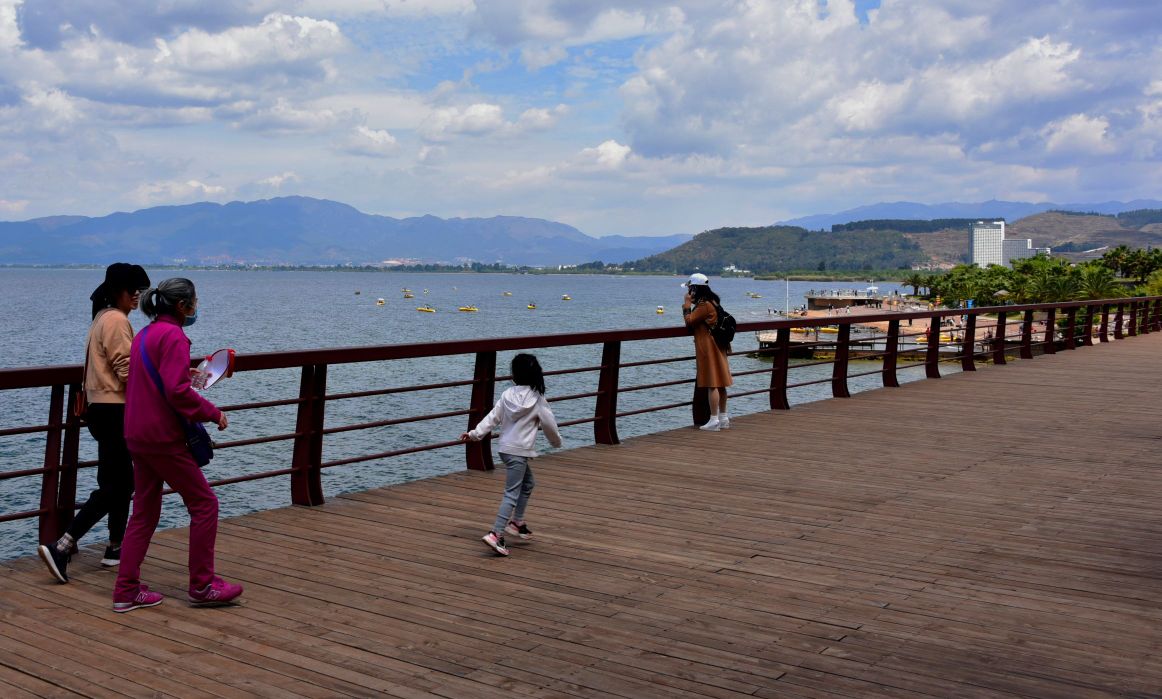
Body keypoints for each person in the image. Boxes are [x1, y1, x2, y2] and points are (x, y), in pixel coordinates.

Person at [112, 278, 240, 613]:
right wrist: (213, 413)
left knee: (144, 512)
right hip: (163, 438)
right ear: (183, 306)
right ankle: (203, 585)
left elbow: (159, 378)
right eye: (194, 301)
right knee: (204, 505)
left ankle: (126, 590)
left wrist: (186, 372)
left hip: (136, 434)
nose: (196, 306)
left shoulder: (145, 334)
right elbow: (177, 393)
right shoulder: (174, 336)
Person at [38, 263, 151, 584]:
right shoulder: (116, 320)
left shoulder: (102, 317)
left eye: (140, 289)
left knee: (119, 481)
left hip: (100, 409)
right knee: (117, 485)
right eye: (133, 290)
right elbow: (126, 368)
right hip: (115, 410)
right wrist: (155, 397)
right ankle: (62, 545)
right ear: (118, 290)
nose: (137, 295)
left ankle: (115, 548)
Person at [460, 353, 562, 557]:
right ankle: (496, 533)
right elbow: (549, 424)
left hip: (506, 449)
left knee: (528, 483)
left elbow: (492, 417)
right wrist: (556, 442)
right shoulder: (538, 398)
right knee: (511, 493)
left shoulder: (507, 395)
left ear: (514, 375)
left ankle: (517, 522)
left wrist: (474, 434)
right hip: (519, 452)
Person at [682, 273, 733, 432]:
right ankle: (723, 418)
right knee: (721, 383)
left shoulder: (704, 305)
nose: (689, 290)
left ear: (695, 288)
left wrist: (686, 305)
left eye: (690, 288)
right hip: (719, 345)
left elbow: (689, 322)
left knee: (713, 384)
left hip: (709, 347)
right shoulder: (714, 301)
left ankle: (713, 419)